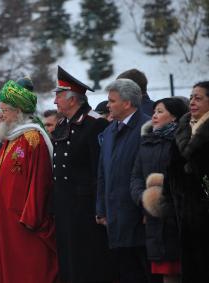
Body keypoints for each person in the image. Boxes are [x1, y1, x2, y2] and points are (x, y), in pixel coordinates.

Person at [0, 78, 58, 283]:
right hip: (4, 222)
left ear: (18, 112)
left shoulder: (33, 139)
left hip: (23, 225)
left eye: (6, 110)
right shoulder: (12, 138)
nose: (1, 115)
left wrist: (30, 218)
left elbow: (39, 183)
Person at [52, 66, 115, 283]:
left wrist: (100, 207)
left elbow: (100, 168)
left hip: (85, 208)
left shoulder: (95, 123)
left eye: (58, 96)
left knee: (88, 261)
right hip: (64, 206)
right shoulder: (63, 124)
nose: (54, 102)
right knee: (68, 260)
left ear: (72, 99)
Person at [143, 81, 209, 283]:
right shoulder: (183, 128)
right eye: (190, 98)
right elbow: (172, 173)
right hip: (184, 220)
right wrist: (170, 206)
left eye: (198, 98)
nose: (192, 102)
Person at [96, 78, 151, 283]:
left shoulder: (147, 127)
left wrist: (147, 209)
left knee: (144, 273)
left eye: (112, 100)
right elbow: (103, 173)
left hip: (138, 218)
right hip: (115, 218)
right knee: (125, 272)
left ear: (127, 103)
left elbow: (150, 171)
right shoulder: (110, 131)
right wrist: (101, 208)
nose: (108, 105)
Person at [131, 98, 188, 283]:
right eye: (154, 111)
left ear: (174, 118)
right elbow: (136, 177)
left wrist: (165, 199)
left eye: (160, 111)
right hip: (153, 219)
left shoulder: (181, 141)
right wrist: (144, 199)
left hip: (178, 217)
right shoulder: (146, 142)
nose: (154, 115)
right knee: (165, 274)